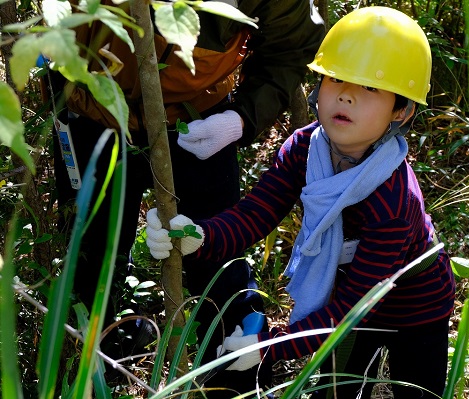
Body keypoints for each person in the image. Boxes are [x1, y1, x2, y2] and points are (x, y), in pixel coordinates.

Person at [145, 6, 456, 399]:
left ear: (402, 110)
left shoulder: (393, 200)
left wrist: (267, 347)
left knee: (419, 393)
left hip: (416, 308)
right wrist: (200, 235)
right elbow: (255, 215)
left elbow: (350, 312)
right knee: (337, 392)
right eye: (336, 79)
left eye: (371, 88)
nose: (346, 94)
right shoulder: (306, 149)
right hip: (348, 296)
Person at [49, 0, 325, 395]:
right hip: (90, 111)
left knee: (216, 255)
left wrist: (240, 119)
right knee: (91, 255)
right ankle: (91, 367)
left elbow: (287, 49)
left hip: (199, 119)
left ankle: (236, 373)